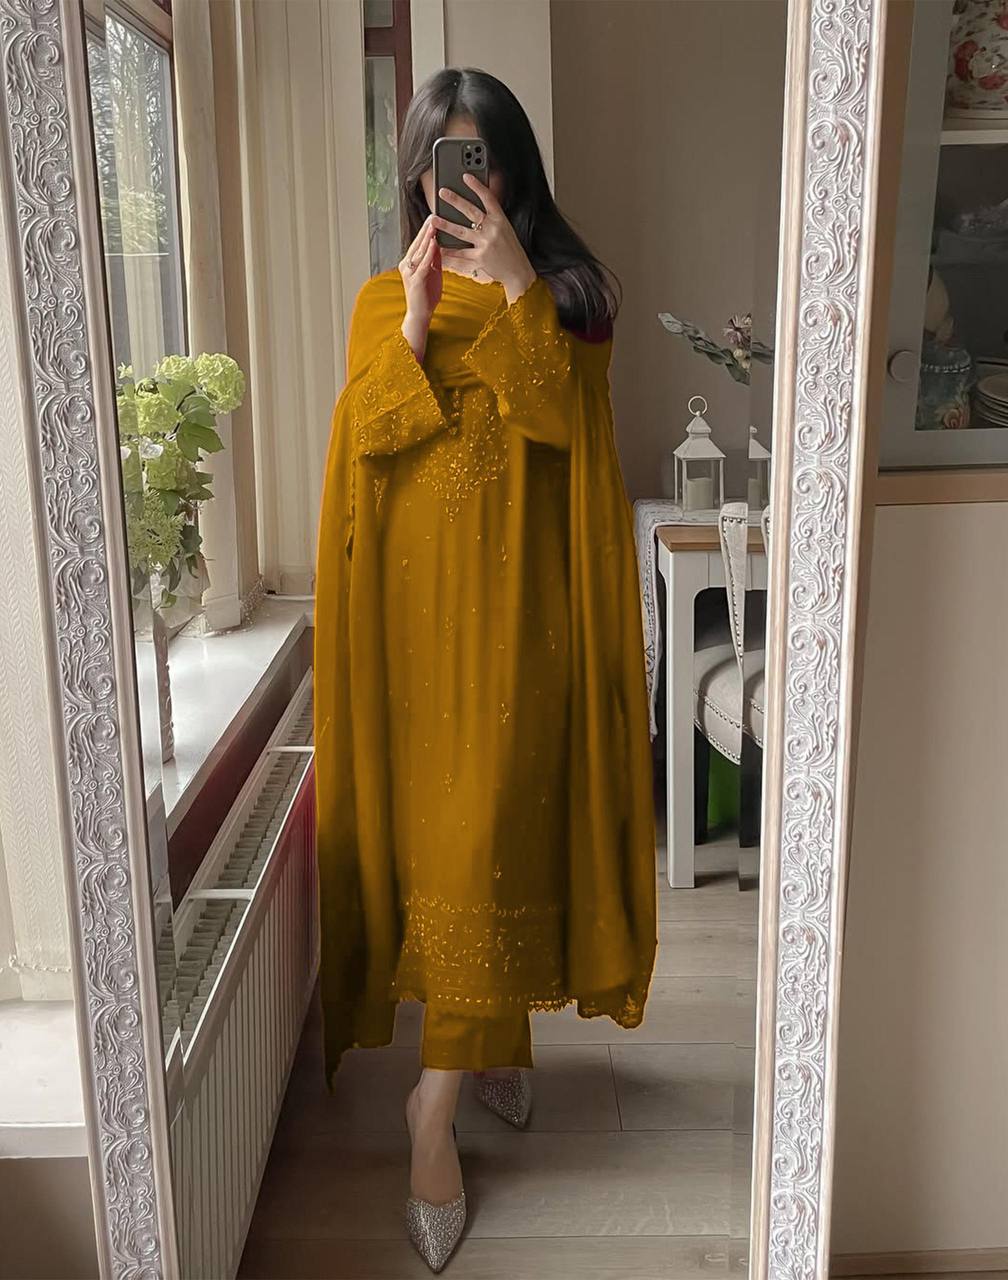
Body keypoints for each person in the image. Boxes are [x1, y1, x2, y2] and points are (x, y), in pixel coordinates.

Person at [313, 66, 656, 1273]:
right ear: (416, 177)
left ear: (514, 170)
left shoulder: (571, 297)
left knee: (497, 830)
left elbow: (568, 432)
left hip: (525, 620)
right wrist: (414, 323)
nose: (465, 183)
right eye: (442, 164)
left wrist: (516, 290)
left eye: (485, 160)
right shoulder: (380, 301)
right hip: (418, 631)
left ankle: (438, 1098)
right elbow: (366, 448)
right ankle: (464, 1074)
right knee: (453, 848)